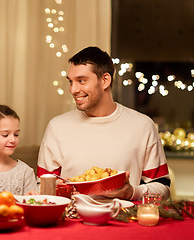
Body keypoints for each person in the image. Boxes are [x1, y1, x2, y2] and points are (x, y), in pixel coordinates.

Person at [37, 46, 170, 201]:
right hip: (72, 221)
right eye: (71, 82)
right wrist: (58, 190)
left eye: (81, 81)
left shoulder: (142, 125)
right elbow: (42, 184)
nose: (73, 89)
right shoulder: (57, 127)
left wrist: (132, 192)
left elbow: (163, 188)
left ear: (105, 80)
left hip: (124, 220)